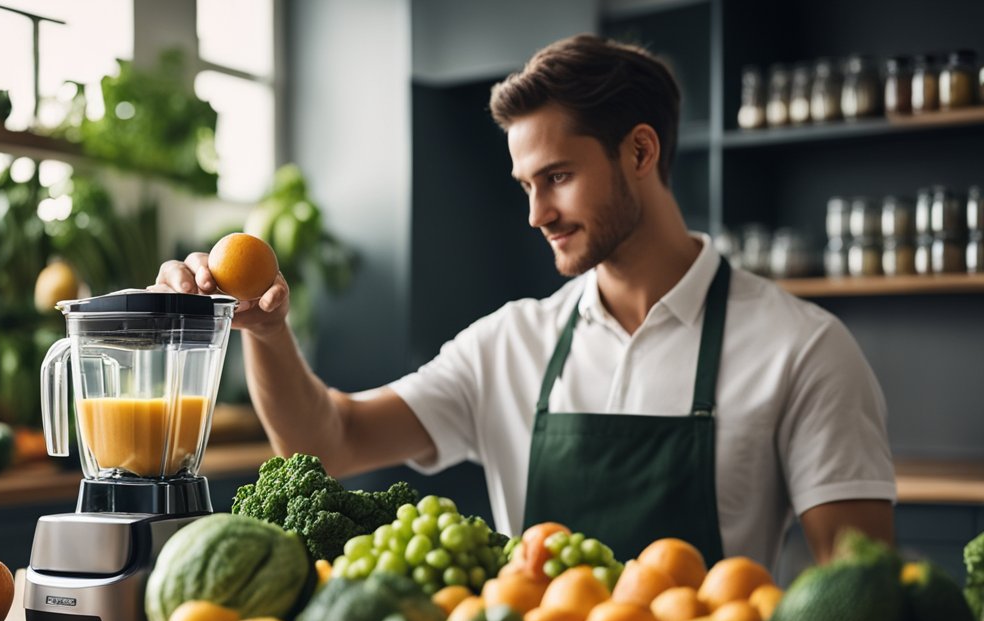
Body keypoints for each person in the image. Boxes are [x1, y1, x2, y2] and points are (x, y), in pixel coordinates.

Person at [150, 33, 895, 572]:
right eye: (526, 186)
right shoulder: (509, 343)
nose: (536, 214)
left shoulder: (803, 350)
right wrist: (269, 333)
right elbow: (330, 443)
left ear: (640, 153)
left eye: (558, 177)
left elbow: (857, 590)